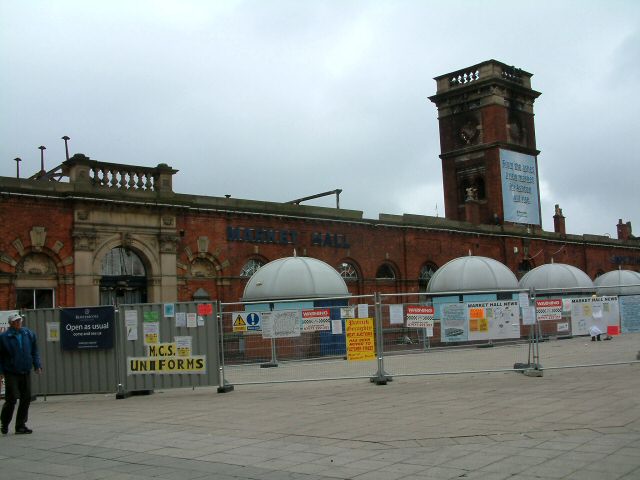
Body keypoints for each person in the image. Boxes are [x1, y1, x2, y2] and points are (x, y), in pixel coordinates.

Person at [0, 313, 42, 434]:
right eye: (16, 321)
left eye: (20, 320)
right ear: (11, 323)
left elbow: (34, 351)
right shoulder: (4, 337)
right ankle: (4, 423)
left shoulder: (28, 334)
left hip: (25, 370)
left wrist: (37, 365)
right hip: (11, 371)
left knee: (26, 397)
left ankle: (20, 425)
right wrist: (1, 372)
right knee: (12, 398)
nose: (19, 322)